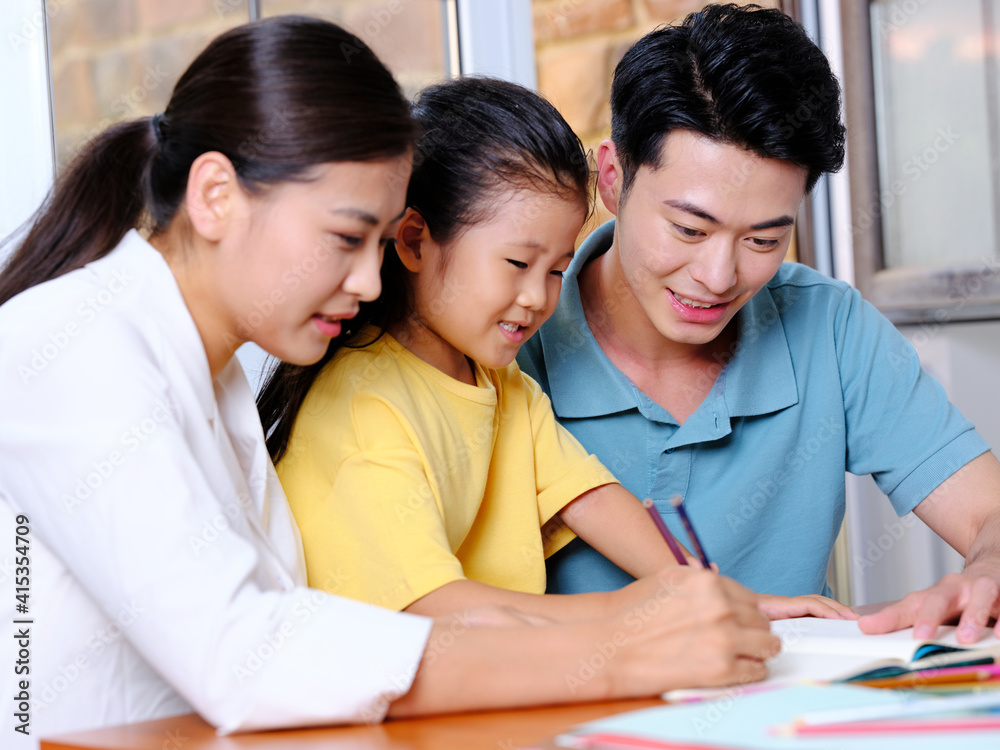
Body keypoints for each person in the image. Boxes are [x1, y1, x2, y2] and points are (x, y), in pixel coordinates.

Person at [0, 16, 778, 747]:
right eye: (346, 237)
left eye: (378, 243)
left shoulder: (216, 377)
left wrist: (631, 631)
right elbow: (245, 658)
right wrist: (615, 648)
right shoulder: (70, 348)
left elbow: (301, 635)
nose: (372, 282)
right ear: (215, 197)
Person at [260, 76, 850, 623]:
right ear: (416, 240)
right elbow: (432, 610)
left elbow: (588, 495)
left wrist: (719, 599)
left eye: (558, 270)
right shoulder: (365, 407)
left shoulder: (499, 382)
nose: (538, 298)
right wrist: (639, 620)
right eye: (518, 263)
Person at [517, 2, 1000, 644]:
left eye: (765, 240)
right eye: (689, 228)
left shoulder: (826, 325)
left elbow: (987, 512)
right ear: (613, 178)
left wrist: (987, 570)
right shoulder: (512, 343)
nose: (719, 277)